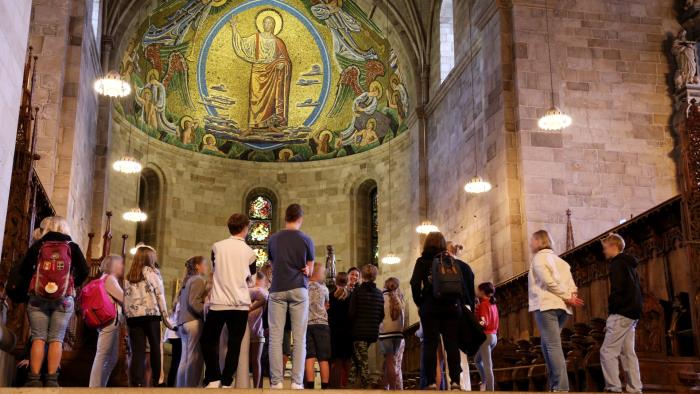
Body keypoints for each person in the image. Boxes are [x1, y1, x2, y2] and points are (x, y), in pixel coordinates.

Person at [19, 216, 89, 387]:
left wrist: (36, 283)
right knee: (56, 338)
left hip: (37, 298)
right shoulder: (72, 246)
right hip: (64, 299)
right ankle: (51, 380)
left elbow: (24, 269)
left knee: (38, 337)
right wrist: (72, 283)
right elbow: (85, 270)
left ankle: (33, 380)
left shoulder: (39, 245)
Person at [201, 213, 257, 388]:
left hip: (219, 302)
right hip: (240, 304)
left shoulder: (217, 247)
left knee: (208, 340)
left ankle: (214, 376)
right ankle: (226, 381)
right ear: (245, 229)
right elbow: (252, 281)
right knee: (234, 345)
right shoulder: (250, 252)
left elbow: (216, 269)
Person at [528, 230, 583, 392]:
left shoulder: (539, 258)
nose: (531, 244)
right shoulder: (562, 262)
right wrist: (571, 296)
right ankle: (554, 384)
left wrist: (568, 296)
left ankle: (561, 386)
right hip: (563, 308)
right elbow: (573, 285)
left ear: (539, 241)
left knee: (552, 345)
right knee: (547, 345)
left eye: (532, 240)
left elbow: (548, 282)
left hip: (547, 305)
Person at [267, 204, 315, 389]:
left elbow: (272, 262)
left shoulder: (273, 239)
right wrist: (305, 269)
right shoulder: (306, 239)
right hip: (298, 288)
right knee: (300, 337)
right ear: (300, 219)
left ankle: (276, 382)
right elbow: (309, 270)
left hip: (277, 288)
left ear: (285, 218)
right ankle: (297, 382)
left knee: (276, 338)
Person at [410, 232, 463, 390]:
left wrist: (420, 302)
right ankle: (455, 382)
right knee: (452, 344)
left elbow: (414, 284)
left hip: (430, 308)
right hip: (451, 307)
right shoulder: (450, 261)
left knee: (430, 345)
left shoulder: (422, 261)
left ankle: (431, 382)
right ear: (443, 244)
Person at [599, 233, 643, 393]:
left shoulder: (617, 264)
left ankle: (613, 388)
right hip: (632, 314)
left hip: (621, 313)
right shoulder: (629, 264)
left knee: (607, 351)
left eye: (605, 248)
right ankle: (635, 388)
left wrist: (612, 314)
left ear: (613, 246)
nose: (604, 252)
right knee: (627, 353)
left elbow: (617, 291)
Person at [124, 245, 172, 387]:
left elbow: (125, 300)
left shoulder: (129, 276)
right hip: (151, 316)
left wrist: (127, 317)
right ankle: (158, 382)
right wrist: (166, 319)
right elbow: (160, 296)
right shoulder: (152, 273)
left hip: (133, 318)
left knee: (137, 351)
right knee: (156, 349)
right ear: (150, 257)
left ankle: (136, 383)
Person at [89, 255, 125, 387]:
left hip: (112, 322)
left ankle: (100, 386)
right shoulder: (109, 279)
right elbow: (123, 298)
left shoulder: (107, 278)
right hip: (110, 321)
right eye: (120, 264)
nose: (123, 267)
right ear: (114, 265)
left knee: (112, 358)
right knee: (102, 355)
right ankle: (94, 388)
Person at [349, 264, 384, 389]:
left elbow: (351, 313)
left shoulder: (357, 291)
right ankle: (351, 382)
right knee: (356, 357)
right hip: (372, 332)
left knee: (362, 360)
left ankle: (366, 385)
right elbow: (381, 315)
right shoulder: (379, 293)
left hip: (358, 331)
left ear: (362, 276)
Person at [447, 241, 476, 391]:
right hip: (467, 307)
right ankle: (467, 386)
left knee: (452, 348)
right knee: (463, 349)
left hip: (452, 307)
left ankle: (457, 384)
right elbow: (472, 292)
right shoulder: (466, 267)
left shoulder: (445, 266)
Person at [176, 256, 208, 387]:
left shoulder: (188, 280)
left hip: (183, 322)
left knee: (185, 358)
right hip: (193, 321)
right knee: (194, 359)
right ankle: (191, 388)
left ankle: (181, 387)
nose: (206, 267)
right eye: (204, 264)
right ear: (197, 266)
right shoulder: (198, 280)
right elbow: (194, 302)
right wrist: (206, 313)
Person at [304, 262, 331, 389]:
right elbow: (327, 305)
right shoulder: (324, 289)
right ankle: (325, 387)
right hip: (322, 324)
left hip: (307, 324)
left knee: (309, 356)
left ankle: (309, 386)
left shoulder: (304, 287)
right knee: (323, 357)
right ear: (320, 274)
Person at [379, 277, 405, 390]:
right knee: (391, 362)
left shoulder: (381, 297)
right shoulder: (399, 298)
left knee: (390, 362)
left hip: (385, 334)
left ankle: (393, 389)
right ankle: (385, 387)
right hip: (398, 335)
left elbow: (378, 316)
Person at [328, 272, 353, 388]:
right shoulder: (352, 296)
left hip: (334, 332)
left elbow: (328, 314)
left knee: (336, 361)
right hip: (348, 332)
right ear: (347, 282)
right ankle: (347, 387)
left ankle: (336, 388)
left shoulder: (330, 295)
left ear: (336, 281)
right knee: (347, 361)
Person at [474, 282, 499, 391]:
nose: (477, 292)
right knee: (477, 360)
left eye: (478, 290)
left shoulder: (483, 304)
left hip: (487, 336)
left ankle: (490, 390)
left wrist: (475, 321)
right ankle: (484, 381)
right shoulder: (492, 303)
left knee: (488, 366)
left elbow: (484, 322)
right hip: (494, 336)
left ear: (483, 291)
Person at [248, 272, 269, 388]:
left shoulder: (264, 294)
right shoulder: (251, 292)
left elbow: (266, 313)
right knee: (250, 361)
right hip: (249, 330)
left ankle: (257, 387)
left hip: (258, 329)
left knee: (256, 360)